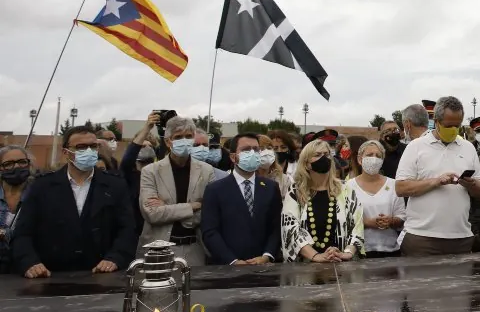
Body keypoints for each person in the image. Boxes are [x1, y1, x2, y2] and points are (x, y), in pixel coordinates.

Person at [11, 127, 137, 278]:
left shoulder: (115, 185)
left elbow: (127, 230)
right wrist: (30, 262)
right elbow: (23, 232)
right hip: (51, 276)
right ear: (66, 152)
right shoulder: (42, 186)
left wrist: (115, 258)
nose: (89, 151)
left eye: (93, 146)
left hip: (101, 275)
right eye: (81, 147)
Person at [394, 96, 480, 257]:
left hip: (461, 237)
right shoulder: (416, 147)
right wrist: (436, 181)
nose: (453, 130)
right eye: (449, 126)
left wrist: (469, 183)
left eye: (457, 125)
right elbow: (400, 188)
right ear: (436, 121)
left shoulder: (468, 148)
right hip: (422, 238)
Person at [138, 117, 217, 267]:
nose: (184, 141)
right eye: (178, 137)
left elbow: (210, 212)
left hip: (195, 249)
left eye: (188, 136)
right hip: (158, 250)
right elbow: (152, 213)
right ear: (168, 141)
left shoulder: (207, 171)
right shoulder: (150, 171)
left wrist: (167, 208)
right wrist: (193, 206)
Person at [200, 133, 283, 265]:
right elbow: (210, 231)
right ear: (233, 157)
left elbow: (276, 227)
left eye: (256, 149)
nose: (252, 153)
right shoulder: (215, 190)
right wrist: (232, 261)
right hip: (227, 268)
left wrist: (267, 256)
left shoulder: (271, 187)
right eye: (246, 150)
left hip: (263, 267)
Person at [282, 138, 364, 262]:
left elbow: (357, 226)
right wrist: (316, 256)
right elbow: (291, 228)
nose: (323, 158)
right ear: (306, 163)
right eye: (317, 155)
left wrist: (347, 253)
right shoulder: (295, 191)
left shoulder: (345, 189)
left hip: (341, 262)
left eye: (326, 154)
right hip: (306, 266)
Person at [346, 140, 405, 258]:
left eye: (378, 156)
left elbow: (401, 216)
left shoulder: (393, 185)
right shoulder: (348, 186)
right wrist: (367, 222)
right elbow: (344, 219)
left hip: (391, 250)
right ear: (360, 159)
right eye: (369, 155)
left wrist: (391, 221)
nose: (374, 159)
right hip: (359, 252)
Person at [0, 146, 34, 273]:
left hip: (29, 266)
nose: (16, 167)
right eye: (8, 164)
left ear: (29, 164)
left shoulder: (40, 194)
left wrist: (5, 234)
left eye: (22, 162)